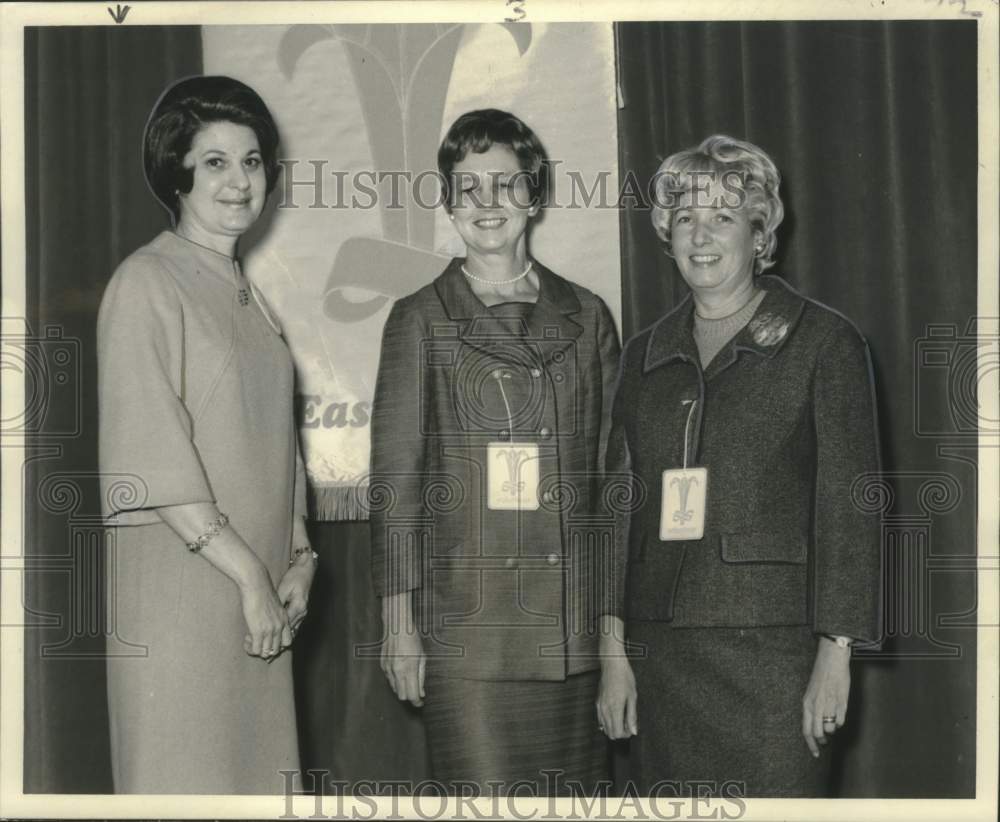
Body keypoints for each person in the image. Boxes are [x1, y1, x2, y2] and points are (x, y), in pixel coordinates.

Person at [597, 135, 881, 797]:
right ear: (667, 234)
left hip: (775, 661)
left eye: (723, 217)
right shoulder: (644, 354)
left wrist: (835, 656)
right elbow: (614, 512)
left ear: (759, 234)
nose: (701, 235)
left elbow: (850, 510)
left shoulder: (824, 342)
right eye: (686, 218)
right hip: (658, 658)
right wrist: (612, 650)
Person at [369, 109, 621, 795]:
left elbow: (609, 486)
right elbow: (396, 485)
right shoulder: (420, 318)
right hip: (467, 637)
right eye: (468, 186)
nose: (488, 204)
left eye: (505, 184)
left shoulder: (589, 314)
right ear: (448, 202)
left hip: (569, 636)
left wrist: (614, 640)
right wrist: (399, 626)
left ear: (533, 195)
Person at [98, 75, 315, 794]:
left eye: (251, 161)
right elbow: (149, 455)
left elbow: (279, 447)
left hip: (257, 598)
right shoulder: (147, 281)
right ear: (178, 173)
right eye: (215, 161)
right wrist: (250, 574)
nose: (239, 181)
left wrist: (300, 558)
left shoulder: (250, 297)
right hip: (187, 596)